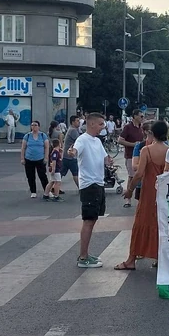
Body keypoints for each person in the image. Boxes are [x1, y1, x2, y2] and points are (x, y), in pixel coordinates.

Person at [116, 121, 169, 270]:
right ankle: (159, 257)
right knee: (160, 225)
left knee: (140, 224)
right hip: (164, 192)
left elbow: (139, 173)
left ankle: (131, 259)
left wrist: (130, 190)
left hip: (148, 192)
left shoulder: (146, 150)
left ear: (151, 133)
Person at [67, 112, 112, 268]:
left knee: (92, 220)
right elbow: (75, 151)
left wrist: (109, 162)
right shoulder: (82, 139)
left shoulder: (97, 141)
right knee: (88, 221)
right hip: (89, 185)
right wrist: (72, 152)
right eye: (100, 124)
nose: (103, 127)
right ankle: (83, 257)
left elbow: (105, 158)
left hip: (98, 183)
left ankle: (85, 254)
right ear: (91, 124)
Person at [118, 109, 144, 208]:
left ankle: (140, 198)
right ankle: (128, 199)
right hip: (130, 155)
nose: (142, 118)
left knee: (141, 176)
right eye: (141, 116)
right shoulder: (128, 127)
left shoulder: (142, 128)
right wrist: (133, 145)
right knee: (132, 176)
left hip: (141, 155)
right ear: (135, 116)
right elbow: (120, 140)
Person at [21, 120, 50, 199]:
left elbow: (47, 147)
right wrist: (22, 158)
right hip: (29, 159)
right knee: (30, 176)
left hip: (40, 159)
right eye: (32, 125)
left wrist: (46, 157)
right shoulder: (27, 136)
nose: (34, 127)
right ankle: (33, 191)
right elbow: (23, 148)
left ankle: (47, 191)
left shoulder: (42, 135)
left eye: (35, 125)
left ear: (39, 126)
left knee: (43, 175)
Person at [130, 121, 153, 201]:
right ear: (146, 131)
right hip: (143, 182)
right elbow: (134, 166)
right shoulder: (140, 146)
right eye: (152, 129)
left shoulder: (164, 145)